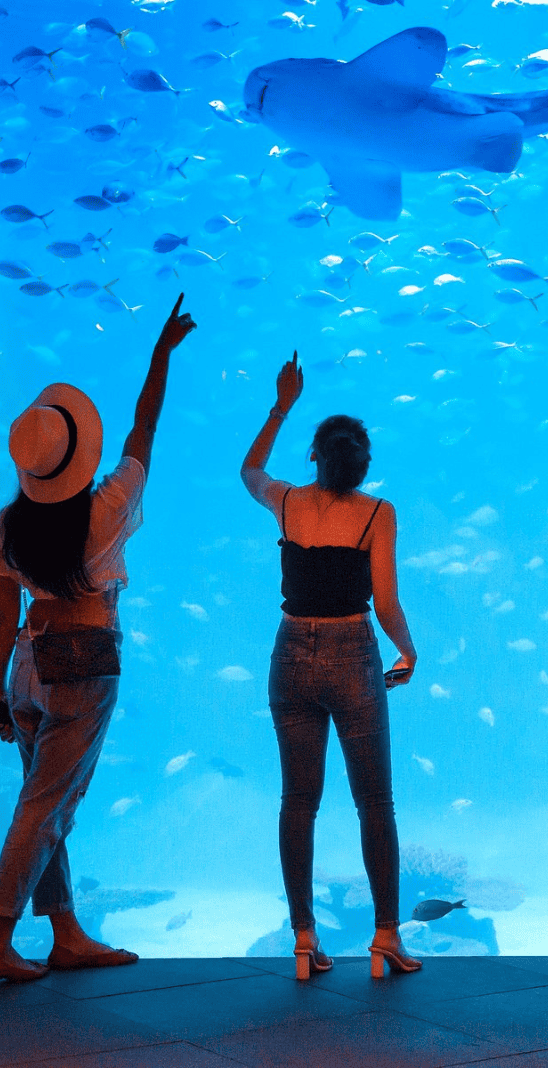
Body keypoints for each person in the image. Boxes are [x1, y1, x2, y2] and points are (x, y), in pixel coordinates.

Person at [0, 294, 196, 982]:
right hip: (82, 666)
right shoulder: (107, 510)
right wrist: (159, 356)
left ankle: (66, 933)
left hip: (25, 664)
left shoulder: (9, 524)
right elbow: (144, 429)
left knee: (39, 798)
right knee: (47, 806)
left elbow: (1, 607)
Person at [241, 351, 420, 980]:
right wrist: (408, 651)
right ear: (364, 463)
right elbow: (387, 602)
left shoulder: (288, 502)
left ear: (315, 456)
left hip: (289, 654)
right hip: (352, 654)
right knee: (375, 802)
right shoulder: (378, 513)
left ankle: (304, 938)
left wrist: (282, 404)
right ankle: (385, 937)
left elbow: (250, 470)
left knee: (298, 801)